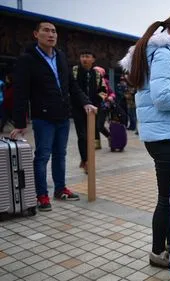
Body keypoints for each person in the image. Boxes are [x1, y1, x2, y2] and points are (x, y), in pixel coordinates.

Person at [119, 13, 170, 268]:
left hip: (159, 134)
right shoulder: (164, 53)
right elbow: (162, 98)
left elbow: (158, 90)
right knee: (167, 197)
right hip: (165, 135)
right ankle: (157, 252)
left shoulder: (152, 52)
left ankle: (169, 246)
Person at [10, 21, 97, 211]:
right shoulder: (28, 59)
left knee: (61, 154)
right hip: (43, 118)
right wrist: (19, 122)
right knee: (42, 156)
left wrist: (85, 102)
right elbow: (21, 92)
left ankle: (60, 189)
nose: (51, 34)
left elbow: (72, 86)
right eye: (46, 30)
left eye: (54, 31)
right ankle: (41, 195)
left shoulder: (60, 56)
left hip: (63, 116)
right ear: (36, 34)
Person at [71, 51, 109, 172]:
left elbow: (104, 91)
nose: (84, 59)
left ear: (93, 59)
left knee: (90, 136)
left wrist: (96, 102)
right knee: (82, 136)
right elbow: (69, 87)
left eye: (87, 56)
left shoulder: (97, 74)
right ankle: (85, 161)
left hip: (92, 110)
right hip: (78, 109)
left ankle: (88, 160)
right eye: (82, 56)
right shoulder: (74, 71)